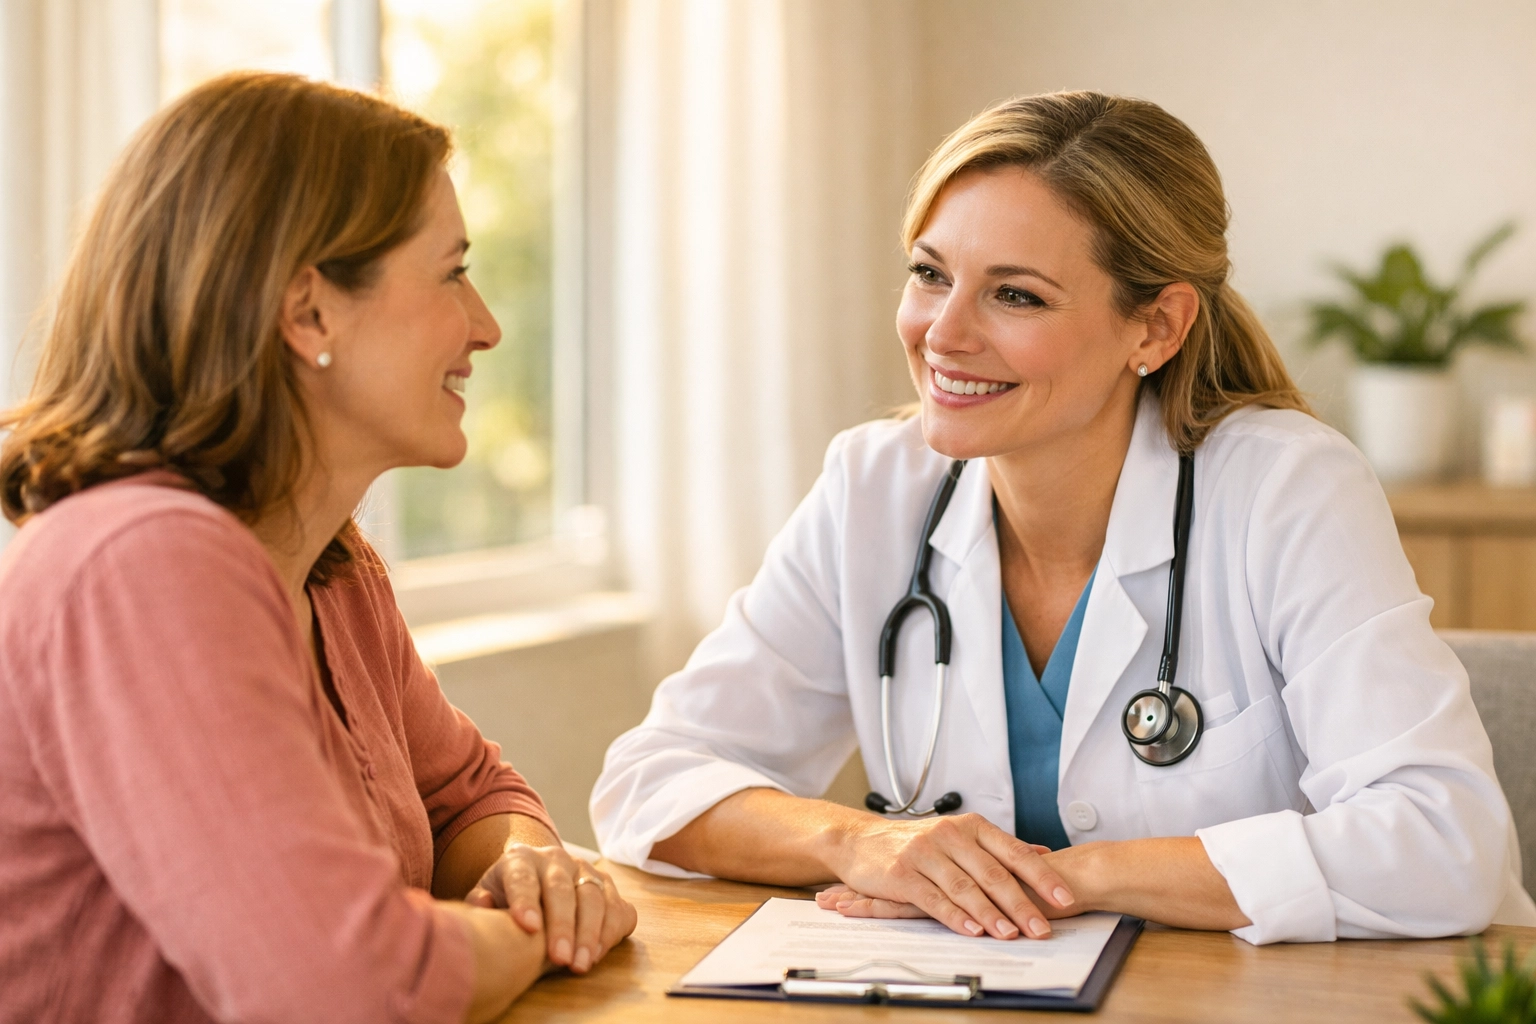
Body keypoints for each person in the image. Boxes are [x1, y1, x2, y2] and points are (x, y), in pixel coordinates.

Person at [591, 90, 1536, 946]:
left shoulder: (1286, 488)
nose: (943, 333)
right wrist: (862, 843)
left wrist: (1064, 879)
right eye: (929, 274)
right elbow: (652, 780)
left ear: (1156, 329)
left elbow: (1443, 842)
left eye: (1015, 295)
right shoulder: (873, 487)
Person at [0, 73, 634, 1024]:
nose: (487, 326)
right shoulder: (143, 565)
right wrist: (531, 936)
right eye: (453, 271)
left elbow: (468, 796)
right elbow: (345, 987)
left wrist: (528, 869)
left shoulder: (333, 569)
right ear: (309, 313)